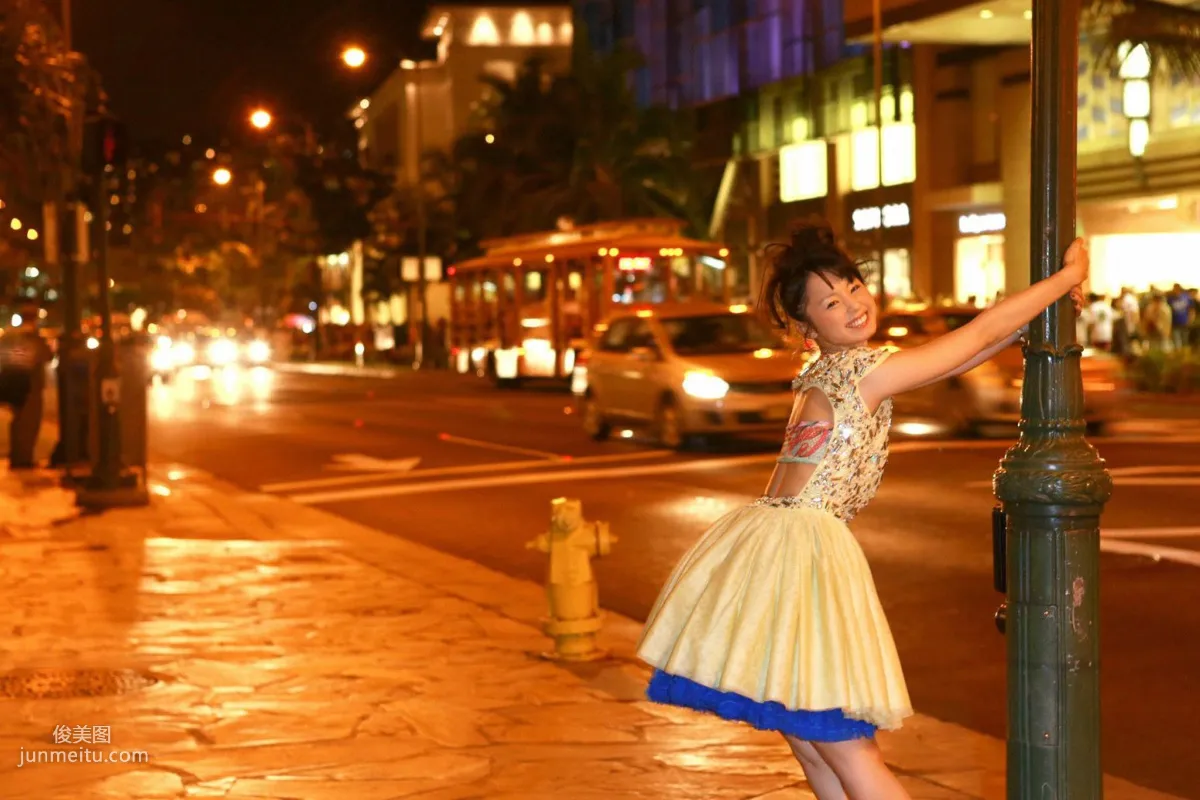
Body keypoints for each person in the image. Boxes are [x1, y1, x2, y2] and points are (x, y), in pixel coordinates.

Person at [636, 221, 1087, 800]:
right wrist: (1066, 278)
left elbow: (955, 359)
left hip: (769, 543)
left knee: (816, 743)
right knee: (847, 747)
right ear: (806, 325)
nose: (852, 304)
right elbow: (973, 336)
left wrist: (1038, 312)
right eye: (830, 301)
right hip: (803, 549)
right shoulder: (862, 371)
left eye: (852, 287)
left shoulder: (823, 372)